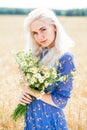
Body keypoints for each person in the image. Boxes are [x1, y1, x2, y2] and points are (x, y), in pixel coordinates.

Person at [20, 8, 76, 130]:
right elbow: (30, 89)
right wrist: (24, 96)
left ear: (54, 27)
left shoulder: (65, 58)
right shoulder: (35, 55)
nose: (40, 36)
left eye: (43, 29)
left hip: (50, 122)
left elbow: (61, 101)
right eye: (34, 33)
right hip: (31, 119)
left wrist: (31, 91)